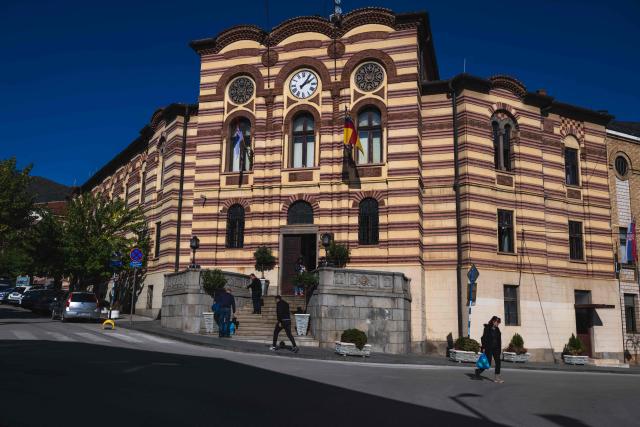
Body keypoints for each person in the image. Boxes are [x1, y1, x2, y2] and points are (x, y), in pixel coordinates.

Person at [475, 316, 503, 383]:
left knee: (498, 362)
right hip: (489, 348)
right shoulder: (487, 328)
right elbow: (483, 338)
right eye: (497, 322)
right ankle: (478, 371)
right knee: (488, 363)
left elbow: (499, 340)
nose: (498, 324)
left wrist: (500, 349)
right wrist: (483, 347)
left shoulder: (497, 329)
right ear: (493, 321)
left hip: (496, 348)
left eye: (499, 322)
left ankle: (497, 378)